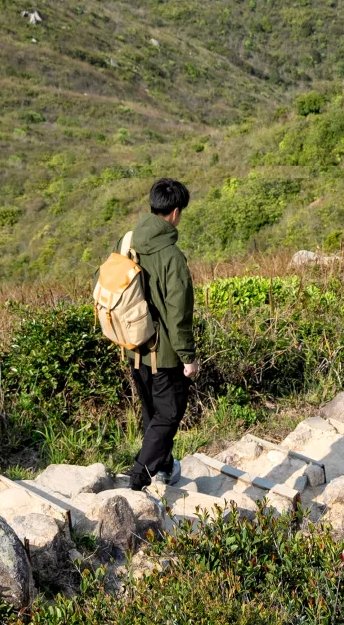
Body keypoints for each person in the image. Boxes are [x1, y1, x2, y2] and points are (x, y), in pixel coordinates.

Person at [121, 178, 198, 489]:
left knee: (152, 413)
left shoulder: (126, 242)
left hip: (132, 346)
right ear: (175, 212)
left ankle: (163, 467)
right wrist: (188, 358)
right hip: (164, 354)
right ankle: (139, 477)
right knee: (168, 415)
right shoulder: (172, 257)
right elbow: (178, 315)